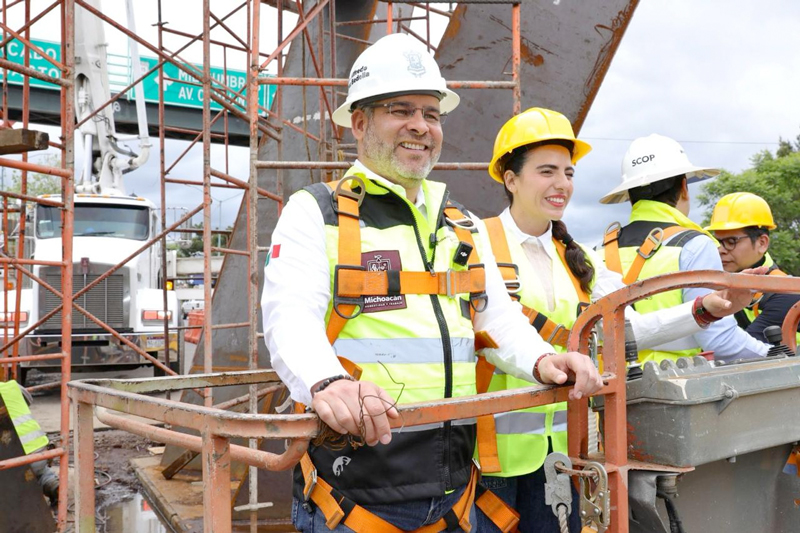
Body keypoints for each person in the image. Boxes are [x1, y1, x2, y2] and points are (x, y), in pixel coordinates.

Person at [260, 34, 602, 533]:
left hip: (455, 489)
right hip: (357, 493)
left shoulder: (459, 224)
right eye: (401, 110)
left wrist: (541, 359)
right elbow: (290, 314)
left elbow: (496, 317)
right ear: (359, 122)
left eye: (432, 113)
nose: (420, 126)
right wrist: (326, 381)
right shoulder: (318, 211)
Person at [475, 109, 763, 533]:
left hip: (563, 452)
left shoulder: (580, 259)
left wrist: (706, 308)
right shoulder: (475, 242)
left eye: (569, 172)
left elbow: (625, 330)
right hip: (492, 457)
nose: (562, 184)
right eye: (546, 171)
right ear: (510, 178)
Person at [599, 134, 769, 362]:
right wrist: (775, 355)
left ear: (631, 197)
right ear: (683, 187)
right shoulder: (694, 245)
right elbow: (719, 341)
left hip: (610, 387)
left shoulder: (601, 250)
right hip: (677, 386)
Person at [705, 192, 800, 344]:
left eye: (731, 241)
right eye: (718, 242)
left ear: (762, 243)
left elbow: (739, 352)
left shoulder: (786, 294)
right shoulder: (728, 286)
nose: (721, 250)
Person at [0, 379, 59, 504]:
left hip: (14, 460)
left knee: (13, 475)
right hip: (40, 451)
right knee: (40, 473)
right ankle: (52, 484)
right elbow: (28, 401)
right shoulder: (12, 386)